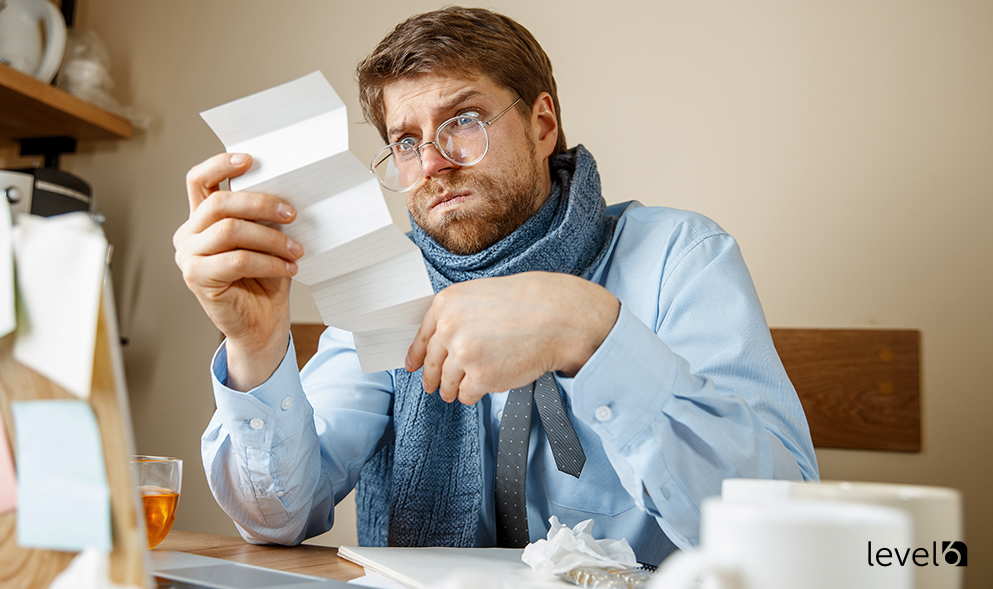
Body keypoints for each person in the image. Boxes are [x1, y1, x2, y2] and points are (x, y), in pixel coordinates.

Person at [173, 6, 818, 565]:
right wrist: (255, 346)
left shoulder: (681, 257)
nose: (430, 165)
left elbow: (788, 530)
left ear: (543, 126)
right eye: (405, 141)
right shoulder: (387, 288)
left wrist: (589, 330)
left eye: (464, 121)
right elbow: (277, 517)